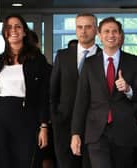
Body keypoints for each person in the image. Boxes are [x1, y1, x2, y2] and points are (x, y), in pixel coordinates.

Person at [71, 17, 137, 168]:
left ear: (120, 35)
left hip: (125, 131)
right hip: (96, 132)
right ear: (99, 34)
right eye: (106, 31)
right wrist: (75, 133)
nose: (111, 35)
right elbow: (81, 101)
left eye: (114, 31)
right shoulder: (89, 64)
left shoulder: (133, 62)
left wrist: (128, 89)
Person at [0, 14, 50, 168]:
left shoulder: (37, 59)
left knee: (26, 161)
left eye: (18, 26)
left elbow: (44, 94)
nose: (13, 30)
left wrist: (43, 126)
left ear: (24, 32)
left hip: (26, 117)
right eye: (8, 27)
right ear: (4, 33)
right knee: (0, 159)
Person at [50, 13, 101, 168]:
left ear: (96, 30)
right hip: (64, 125)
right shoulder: (62, 56)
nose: (83, 31)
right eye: (79, 27)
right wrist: (55, 117)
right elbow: (53, 91)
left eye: (88, 27)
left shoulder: (104, 57)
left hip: (95, 127)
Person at [29, 30, 57, 168]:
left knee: (43, 158)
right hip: (22, 121)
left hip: (42, 121)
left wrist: (44, 124)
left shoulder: (44, 67)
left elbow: (48, 97)